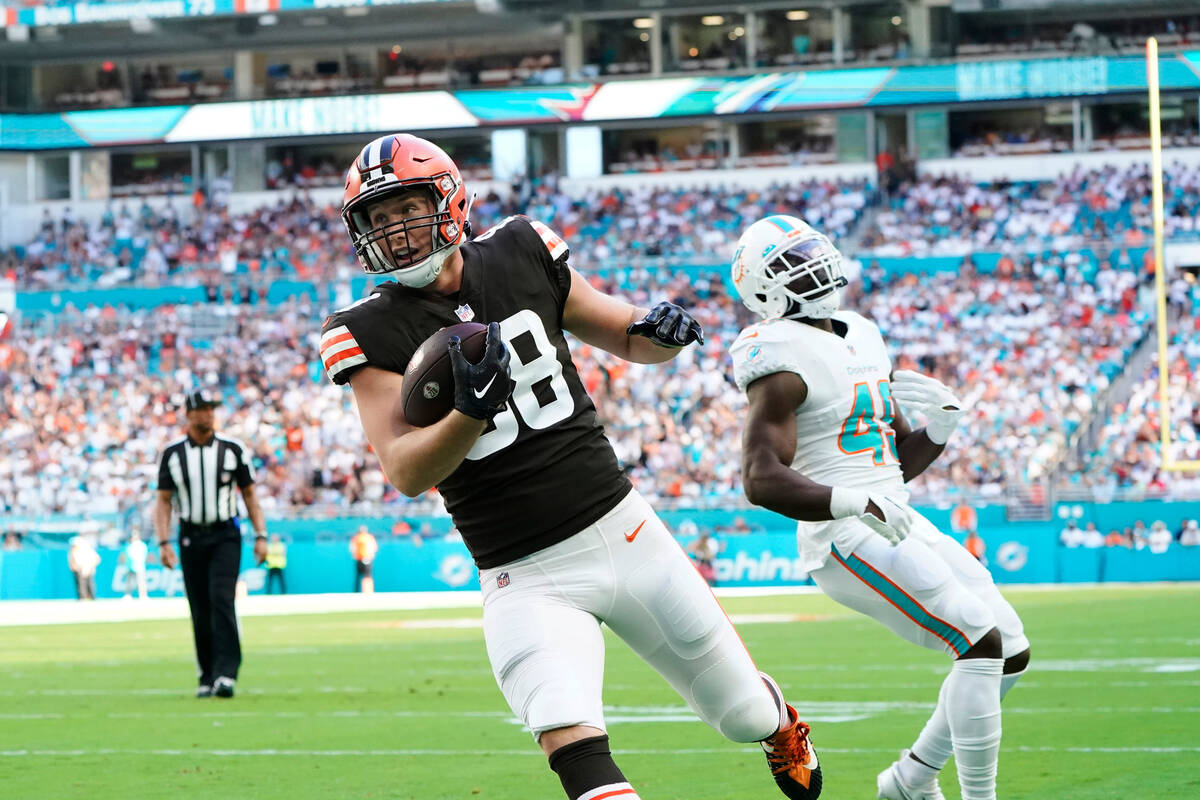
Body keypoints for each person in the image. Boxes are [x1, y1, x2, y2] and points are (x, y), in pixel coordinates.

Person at [318, 133, 820, 800]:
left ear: (449, 200)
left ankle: (776, 719)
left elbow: (621, 332)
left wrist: (658, 331)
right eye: (376, 219)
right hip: (521, 571)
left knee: (742, 715)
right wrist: (468, 414)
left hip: (625, 532)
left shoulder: (522, 247)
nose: (392, 231)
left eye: (403, 208)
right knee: (564, 726)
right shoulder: (365, 328)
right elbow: (405, 471)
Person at [728, 214, 1030, 800]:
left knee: (1010, 647)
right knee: (977, 642)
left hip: (891, 515)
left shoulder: (861, 332)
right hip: (842, 537)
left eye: (811, 251)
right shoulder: (779, 358)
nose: (813, 266)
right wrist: (853, 502)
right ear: (763, 288)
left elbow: (892, 464)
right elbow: (760, 479)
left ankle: (911, 778)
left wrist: (938, 432)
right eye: (793, 262)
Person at [155, 390, 269, 699]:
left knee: (221, 597)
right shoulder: (173, 453)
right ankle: (207, 674)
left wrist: (261, 535)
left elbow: (249, 495)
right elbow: (163, 501)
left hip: (225, 534)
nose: (208, 414)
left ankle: (226, 673)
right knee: (199, 605)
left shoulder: (233, 449)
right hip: (191, 535)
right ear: (189, 414)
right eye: (203, 409)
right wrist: (163, 541)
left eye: (211, 409)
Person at [68, 535, 100, 601]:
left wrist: (88, 567)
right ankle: (82, 597)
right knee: (80, 584)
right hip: (78, 570)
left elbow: (96, 559)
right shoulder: (73, 551)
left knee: (88, 584)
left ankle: (91, 597)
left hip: (86, 569)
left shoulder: (86, 549)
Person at [119, 533, 149, 600]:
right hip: (130, 567)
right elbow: (125, 556)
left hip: (139, 566)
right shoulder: (130, 546)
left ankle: (143, 596)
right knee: (129, 582)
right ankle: (128, 595)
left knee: (141, 582)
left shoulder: (141, 546)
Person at [349, 525, 378, 593]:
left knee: (362, 576)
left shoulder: (358, 537)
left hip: (361, 558)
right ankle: (367, 591)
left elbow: (352, 548)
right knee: (366, 576)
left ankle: (360, 591)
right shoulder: (368, 537)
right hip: (364, 558)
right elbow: (373, 547)